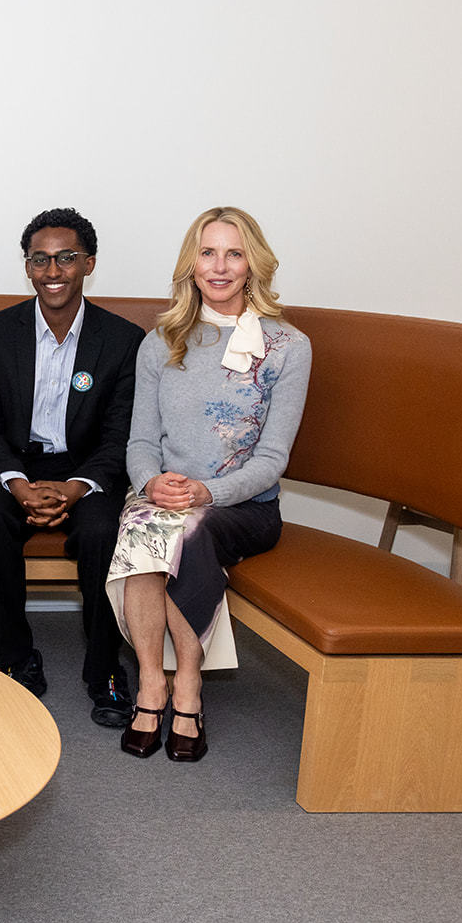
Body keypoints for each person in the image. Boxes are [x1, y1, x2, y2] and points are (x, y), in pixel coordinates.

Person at [108, 206, 310, 762]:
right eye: (207, 252)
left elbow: (272, 459)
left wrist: (207, 493)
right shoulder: (161, 341)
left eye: (234, 253)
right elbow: (140, 442)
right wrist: (150, 484)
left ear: (254, 264)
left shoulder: (288, 346)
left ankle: (189, 686)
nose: (219, 267)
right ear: (190, 263)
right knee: (146, 530)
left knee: (186, 532)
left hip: (243, 506)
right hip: (164, 493)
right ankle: (153, 683)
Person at [0, 207, 145, 726]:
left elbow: (120, 435)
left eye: (66, 258)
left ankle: (105, 669)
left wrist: (78, 488)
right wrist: (16, 483)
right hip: (15, 467)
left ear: (89, 263)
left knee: (106, 530)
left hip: (88, 471)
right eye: (39, 260)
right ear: (27, 267)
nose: (53, 271)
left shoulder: (124, 340)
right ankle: (12, 654)